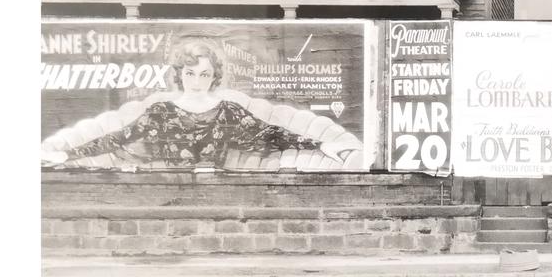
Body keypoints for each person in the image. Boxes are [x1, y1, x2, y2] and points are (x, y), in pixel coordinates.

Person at [41, 37, 361, 170]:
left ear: (214, 76)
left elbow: (273, 134)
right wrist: (67, 153)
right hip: (166, 193)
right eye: (190, 73)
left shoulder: (229, 111)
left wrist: (322, 146)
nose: (197, 80)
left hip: (216, 192)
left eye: (205, 74)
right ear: (180, 75)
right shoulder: (160, 112)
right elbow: (117, 139)